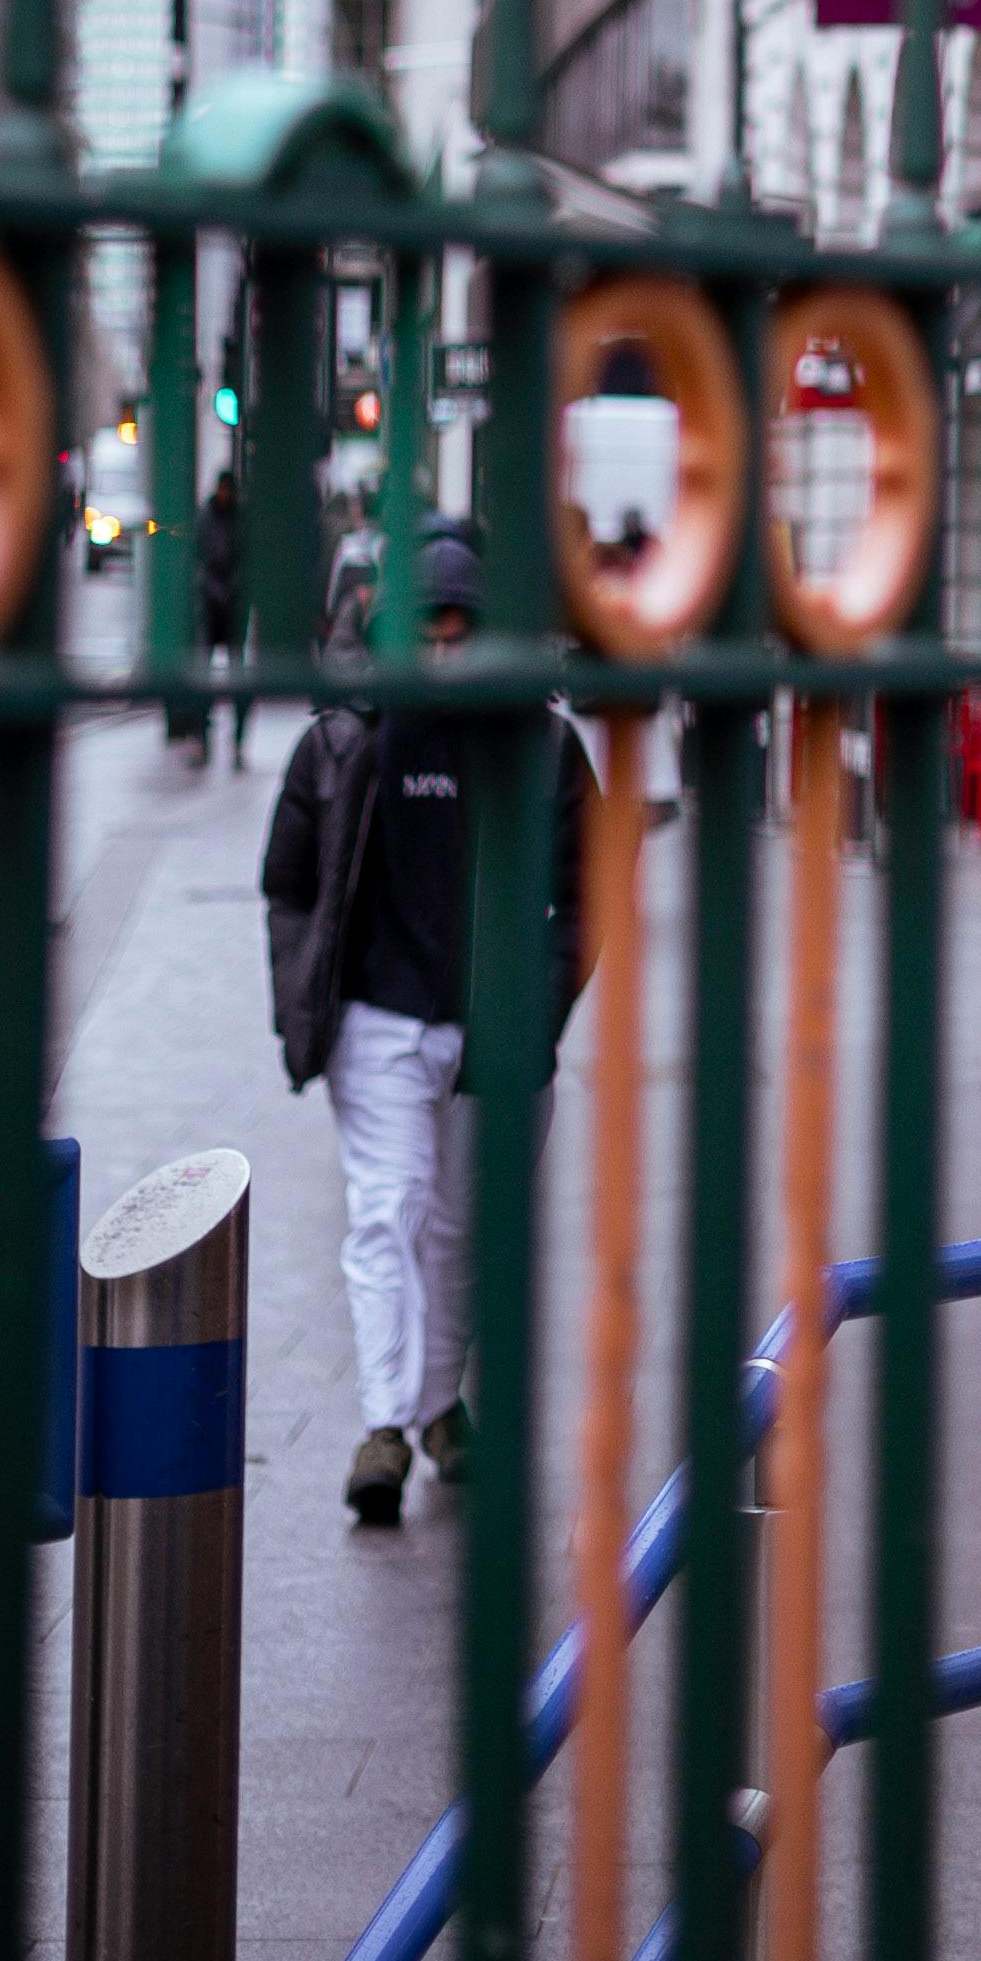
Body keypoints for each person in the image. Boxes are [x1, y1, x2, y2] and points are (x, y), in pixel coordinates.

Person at [264, 524, 596, 1520]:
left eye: (462, 636)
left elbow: (591, 892)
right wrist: (303, 998)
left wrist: (537, 1012)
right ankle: (385, 1428)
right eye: (428, 636)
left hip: (499, 1032)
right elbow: (289, 882)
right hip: (378, 1021)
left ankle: (439, 1405)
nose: (444, 656)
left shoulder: (541, 746)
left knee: (459, 1233)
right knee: (389, 1209)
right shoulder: (343, 741)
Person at [186, 454, 251, 772]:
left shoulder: (221, 518)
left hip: (229, 603)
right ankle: (205, 737)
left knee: (229, 673)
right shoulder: (211, 518)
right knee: (208, 672)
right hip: (214, 603)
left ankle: (232, 740)